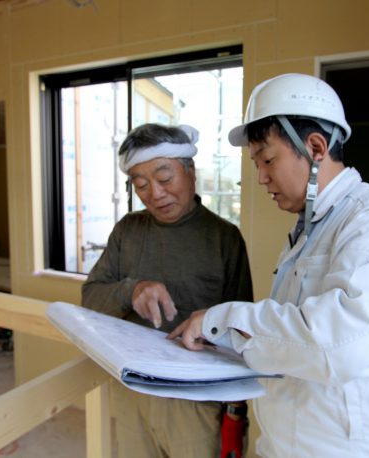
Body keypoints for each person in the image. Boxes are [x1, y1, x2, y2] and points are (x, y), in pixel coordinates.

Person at [169, 73, 369, 457]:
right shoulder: (310, 232)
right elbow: (290, 345)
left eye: (268, 159)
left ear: (315, 147)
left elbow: (341, 342)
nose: (261, 177)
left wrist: (222, 320)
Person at [82, 123, 253, 458]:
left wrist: (235, 409)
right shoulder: (127, 231)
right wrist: (130, 291)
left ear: (190, 171)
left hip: (195, 401)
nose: (154, 194)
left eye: (164, 179)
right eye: (141, 185)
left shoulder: (224, 238)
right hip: (132, 388)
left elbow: (242, 327)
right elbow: (90, 298)